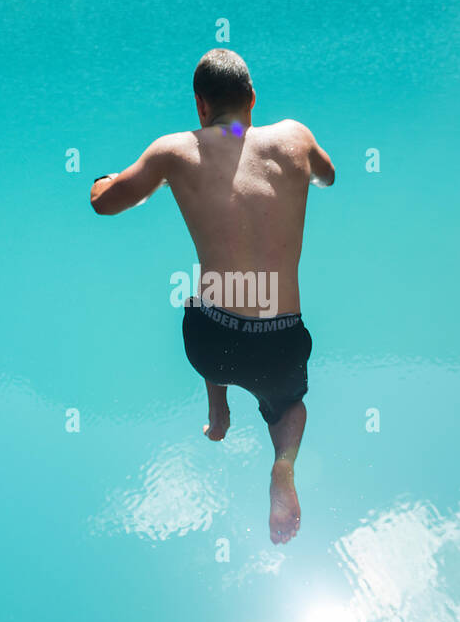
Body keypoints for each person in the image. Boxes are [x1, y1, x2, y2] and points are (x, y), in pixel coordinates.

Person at [91, 49, 335, 543]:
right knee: (289, 409)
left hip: (212, 344)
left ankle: (217, 409)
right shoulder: (295, 137)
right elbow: (327, 175)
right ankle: (283, 466)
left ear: (201, 106)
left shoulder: (175, 151)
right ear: (252, 100)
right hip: (280, 344)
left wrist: (100, 181)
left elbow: (107, 203)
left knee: (203, 293)